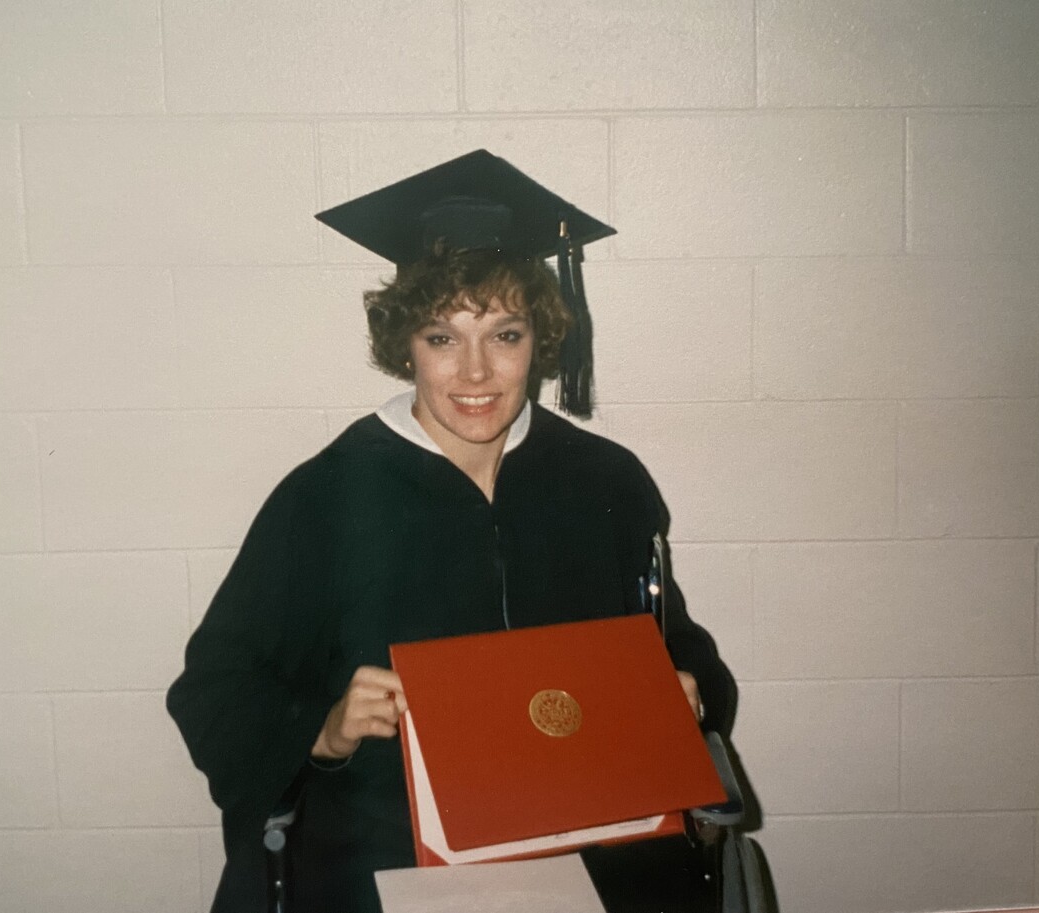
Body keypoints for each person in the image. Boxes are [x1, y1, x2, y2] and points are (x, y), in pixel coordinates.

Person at [167, 150, 735, 913]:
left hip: (591, 835)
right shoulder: (326, 496)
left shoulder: (605, 481)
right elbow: (214, 688)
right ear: (405, 344)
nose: (475, 373)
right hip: (390, 845)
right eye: (443, 338)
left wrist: (688, 692)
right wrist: (324, 729)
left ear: (540, 338)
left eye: (504, 335)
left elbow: (678, 650)